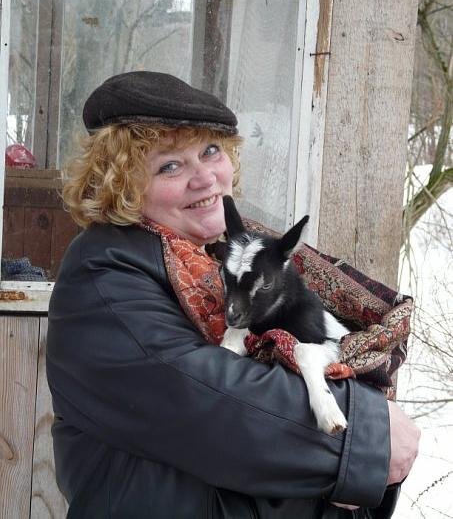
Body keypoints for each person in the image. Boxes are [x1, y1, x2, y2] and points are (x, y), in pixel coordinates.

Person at [46, 71, 420, 518]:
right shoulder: (104, 274)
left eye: (210, 151)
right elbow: (204, 401)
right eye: (170, 166)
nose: (205, 179)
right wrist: (367, 437)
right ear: (120, 185)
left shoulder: (234, 259)